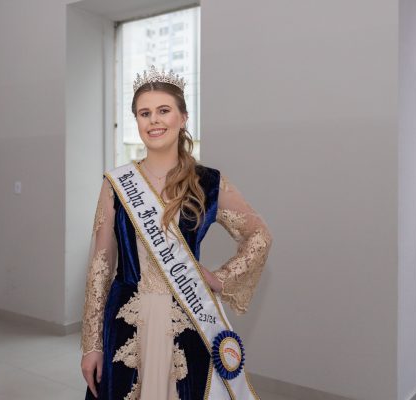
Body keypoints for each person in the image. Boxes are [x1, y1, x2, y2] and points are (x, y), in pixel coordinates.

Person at [80, 65, 273, 399]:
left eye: (163, 111)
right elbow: (100, 266)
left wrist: (220, 278)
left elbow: (259, 235)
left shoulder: (209, 182)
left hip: (187, 317)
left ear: (182, 117)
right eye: (144, 113)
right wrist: (91, 344)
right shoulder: (116, 183)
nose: (154, 121)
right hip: (126, 319)